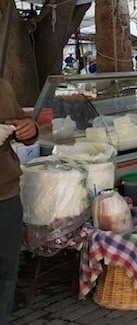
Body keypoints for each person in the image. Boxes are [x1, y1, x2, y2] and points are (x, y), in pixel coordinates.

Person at [0, 79, 39, 321]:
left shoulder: (3, 87)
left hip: (6, 194)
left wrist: (29, 129)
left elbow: (20, 127)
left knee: (5, 270)